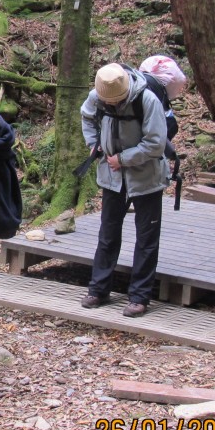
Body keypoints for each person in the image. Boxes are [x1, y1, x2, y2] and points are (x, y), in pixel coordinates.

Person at [79, 62, 170, 318]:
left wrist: (123, 158)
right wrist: (93, 143)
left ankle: (140, 297)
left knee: (146, 238)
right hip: (112, 176)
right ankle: (98, 289)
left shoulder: (147, 100)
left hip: (147, 176)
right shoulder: (98, 94)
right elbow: (86, 116)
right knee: (108, 232)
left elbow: (155, 143)